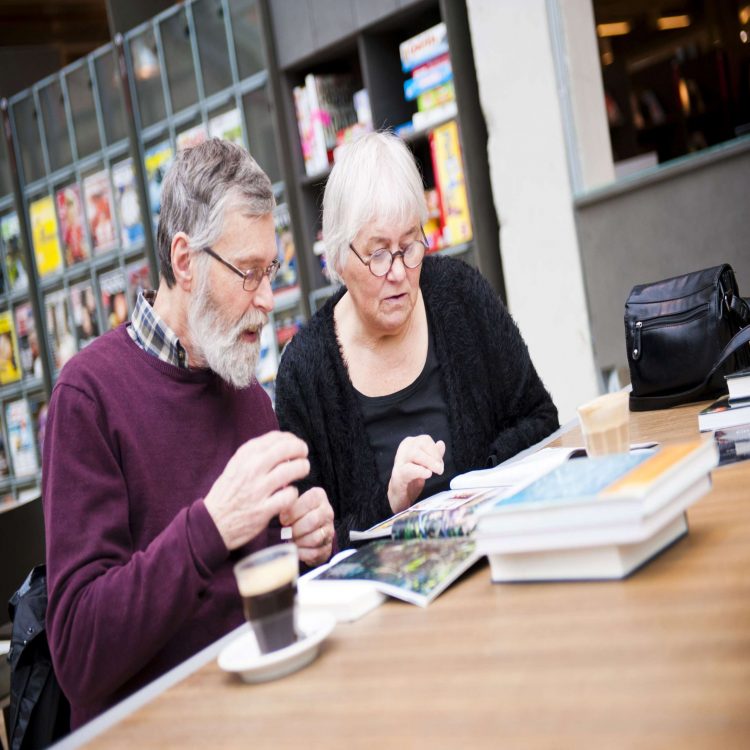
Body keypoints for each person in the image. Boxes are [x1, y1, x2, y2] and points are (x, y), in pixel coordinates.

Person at [42, 139, 335, 729]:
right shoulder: (87, 396)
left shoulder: (245, 389)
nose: (266, 299)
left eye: (269, 270)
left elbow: (249, 593)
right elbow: (78, 653)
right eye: (248, 272)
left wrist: (304, 545)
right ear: (184, 260)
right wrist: (211, 527)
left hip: (262, 709)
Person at [275, 131, 558, 545]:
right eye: (377, 253)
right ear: (337, 257)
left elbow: (540, 420)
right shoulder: (304, 373)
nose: (398, 271)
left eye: (409, 245)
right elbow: (313, 545)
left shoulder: (460, 295)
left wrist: (472, 487)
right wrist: (390, 504)